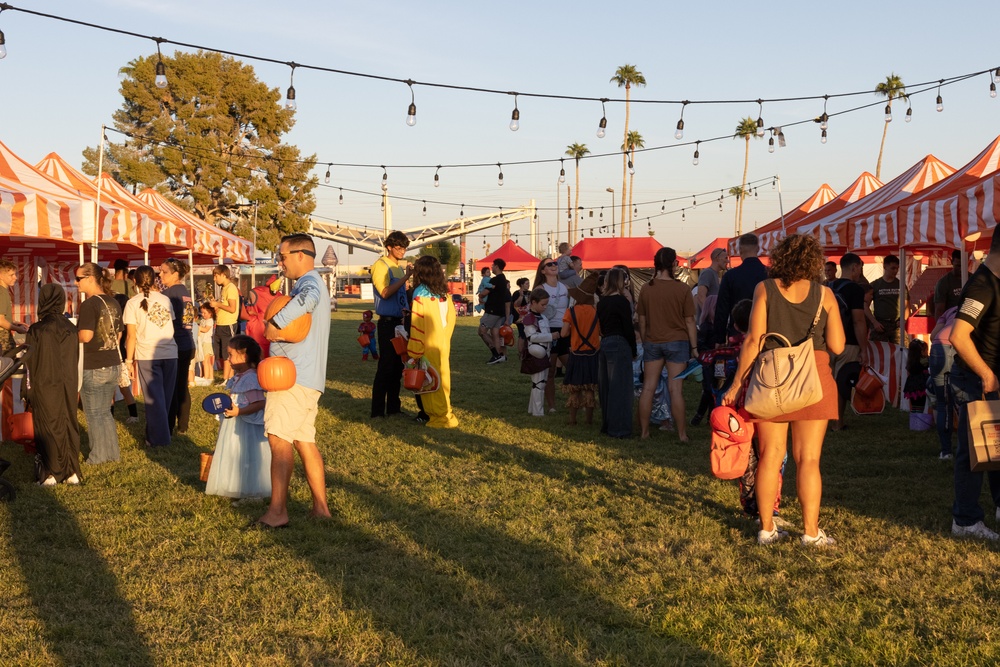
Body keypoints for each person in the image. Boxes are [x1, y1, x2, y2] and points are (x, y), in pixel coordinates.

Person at [722, 233, 845, 546]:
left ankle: (766, 529)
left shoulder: (764, 289)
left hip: (771, 377)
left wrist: (737, 383)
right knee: (809, 460)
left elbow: (753, 340)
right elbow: (838, 345)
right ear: (814, 262)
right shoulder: (825, 294)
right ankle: (811, 533)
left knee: (770, 456)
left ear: (779, 258)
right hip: (813, 378)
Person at [259, 233, 331, 528]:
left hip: (291, 378)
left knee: (279, 438)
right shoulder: (313, 283)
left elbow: (308, 301)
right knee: (305, 441)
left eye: (282, 256)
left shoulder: (310, 284)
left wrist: (275, 324)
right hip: (307, 378)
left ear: (301, 254)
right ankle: (321, 509)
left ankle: (277, 512)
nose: (280, 262)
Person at [947, 233, 1000, 540]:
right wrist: (986, 374)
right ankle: (965, 521)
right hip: (975, 380)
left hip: (987, 378)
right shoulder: (981, 286)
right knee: (972, 452)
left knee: (995, 447)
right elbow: (958, 335)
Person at [636, 247, 697, 442]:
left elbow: (642, 319)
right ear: (673, 264)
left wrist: (646, 339)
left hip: (653, 341)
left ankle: (644, 432)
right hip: (678, 342)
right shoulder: (682, 289)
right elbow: (689, 321)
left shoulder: (646, 288)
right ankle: (682, 434)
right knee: (675, 389)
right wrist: (694, 347)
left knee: (648, 387)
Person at [25, 283, 82, 485]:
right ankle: (71, 471)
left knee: (47, 425)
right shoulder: (71, 328)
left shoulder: (37, 329)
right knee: (68, 422)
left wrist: (27, 390)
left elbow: (30, 362)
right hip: (68, 382)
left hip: (44, 382)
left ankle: (49, 472)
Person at [205, 335, 271, 499]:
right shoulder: (239, 376)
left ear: (244, 356)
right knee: (235, 454)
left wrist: (239, 412)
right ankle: (238, 486)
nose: (228, 359)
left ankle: (253, 490)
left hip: (247, 426)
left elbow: (259, 402)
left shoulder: (250, 378)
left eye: (231, 355)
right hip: (236, 422)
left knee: (248, 455)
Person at [123, 265, 178, 448]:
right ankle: (155, 433)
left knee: (154, 399)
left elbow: (131, 336)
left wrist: (128, 361)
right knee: (165, 398)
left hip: (148, 353)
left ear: (135, 281)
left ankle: (159, 439)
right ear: (155, 280)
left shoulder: (132, 303)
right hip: (170, 352)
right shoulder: (165, 299)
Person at [75, 262, 124, 465]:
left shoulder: (89, 304)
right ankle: (112, 454)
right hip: (112, 362)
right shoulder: (113, 302)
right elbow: (119, 334)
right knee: (104, 412)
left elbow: (86, 336)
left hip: (94, 364)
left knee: (94, 414)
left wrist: (71, 334)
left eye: (79, 279)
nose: (76, 283)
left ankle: (97, 457)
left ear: (90, 279)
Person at [406, 256, 458, 428]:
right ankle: (447, 413)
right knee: (443, 379)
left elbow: (418, 325)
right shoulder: (444, 293)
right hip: (443, 342)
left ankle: (438, 417)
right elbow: (450, 318)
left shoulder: (420, 293)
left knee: (430, 383)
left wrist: (414, 352)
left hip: (427, 345)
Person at [370, 231, 412, 418]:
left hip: (399, 323)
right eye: (398, 247)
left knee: (397, 367)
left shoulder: (398, 267)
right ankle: (377, 411)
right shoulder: (381, 266)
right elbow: (385, 293)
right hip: (387, 324)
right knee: (386, 366)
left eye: (404, 247)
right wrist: (405, 278)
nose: (402, 251)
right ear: (389, 247)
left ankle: (394, 408)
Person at [829, 253, 869, 431]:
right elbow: (858, 321)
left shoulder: (828, 286)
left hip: (826, 341)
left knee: (827, 382)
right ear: (854, 267)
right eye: (860, 267)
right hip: (848, 341)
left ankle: (824, 420)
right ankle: (838, 422)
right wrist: (864, 348)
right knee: (841, 382)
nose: (860, 271)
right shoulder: (856, 290)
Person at [597, 268, 637, 438]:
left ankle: (607, 424)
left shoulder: (602, 302)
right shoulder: (621, 301)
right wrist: (633, 349)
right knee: (620, 387)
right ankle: (619, 428)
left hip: (605, 342)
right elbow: (628, 327)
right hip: (620, 342)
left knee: (606, 387)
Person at [160, 258, 196, 436]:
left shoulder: (171, 293)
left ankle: (171, 424)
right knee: (181, 386)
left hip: (177, 344)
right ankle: (182, 425)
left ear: (175, 274)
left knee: (174, 387)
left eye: (164, 271)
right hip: (187, 342)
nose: (160, 275)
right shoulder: (184, 291)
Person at [713, 233, 768, 348]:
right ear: (758, 249)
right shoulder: (770, 274)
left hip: (738, 335)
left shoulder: (730, 276)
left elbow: (722, 309)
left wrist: (720, 338)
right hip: (765, 334)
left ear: (740, 250)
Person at [561, 274, 600, 426]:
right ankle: (589, 421)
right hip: (593, 354)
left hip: (576, 353)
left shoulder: (571, 312)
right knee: (590, 388)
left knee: (574, 388)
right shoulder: (596, 311)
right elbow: (601, 331)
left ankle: (572, 420)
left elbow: (564, 333)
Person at [534, 257, 570, 411]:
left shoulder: (564, 287)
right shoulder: (540, 289)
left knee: (574, 367)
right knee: (551, 371)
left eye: (554, 263)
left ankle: (577, 400)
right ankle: (552, 406)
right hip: (549, 331)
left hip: (566, 330)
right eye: (549, 264)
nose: (554, 265)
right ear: (543, 271)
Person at [522, 287, 560, 417]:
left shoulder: (543, 317)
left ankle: (533, 409)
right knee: (538, 384)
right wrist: (551, 336)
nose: (545, 307)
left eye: (546, 304)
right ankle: (538, 412)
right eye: (542, 304)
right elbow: (531, 337)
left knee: (540, 383)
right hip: (536, 353)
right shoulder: (529, 318)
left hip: (545, 352)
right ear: (533, 302)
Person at [929, 305, 958, 459]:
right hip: (959, 346)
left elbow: (933, 336)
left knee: (943, 404)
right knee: (966, 402)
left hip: (939, 347)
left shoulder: (950, 310)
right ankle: (967, 448)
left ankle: (946, 451)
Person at [209, 266, 240, 383]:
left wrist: (218, 304)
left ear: (223, 275)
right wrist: (216, 307)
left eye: (216, 276)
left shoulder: (231, 288)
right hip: (221, 324)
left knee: (229, 353)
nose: (214, 279)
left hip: (229, 324)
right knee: (222, 353)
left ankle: (228, 378)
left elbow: (232, 308)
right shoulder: (224, 288)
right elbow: (224, 306)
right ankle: (226, 378)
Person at [240, 275, 282, 358]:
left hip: (256, 326)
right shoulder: (279, 296)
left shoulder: (257, 291)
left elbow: (249, 310)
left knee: (256, 353)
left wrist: (254, 314)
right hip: (270, 326)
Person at [479, 258, 511, 364]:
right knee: (495, 333)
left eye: (493, 266)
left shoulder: (495, 280)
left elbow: (484, 293)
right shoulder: (503, 279)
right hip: (500, 311)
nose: (491, 267)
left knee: (482, 331)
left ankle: (495, 354)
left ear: (497, 266)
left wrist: (480, 295)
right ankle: (500, 355)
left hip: (492, 311)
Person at [867, 254, 901, 344]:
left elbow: (906, 306)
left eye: (897, 268)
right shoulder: (875, 285)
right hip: (880, 323)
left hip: (896, 324)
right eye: (893, 268)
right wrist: (874, 322)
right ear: (885, 267)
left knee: (902, 351)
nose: (895, 271)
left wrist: (903, 319)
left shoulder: (901, 285)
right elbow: (865, 306)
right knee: (877, 351)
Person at [0, 259, 28, 353]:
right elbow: (1, 321)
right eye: (11, 275)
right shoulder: (2, 293)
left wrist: (15, 323)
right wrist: (18, 329)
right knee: (8, 364)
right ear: (1, 276)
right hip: (3, 338)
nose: (15, 277)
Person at [695, 248, 727, 324]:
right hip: (708, 326)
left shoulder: (714, 274)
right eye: (725, 258)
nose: (727, 261)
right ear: (717, 259)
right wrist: (710, 318)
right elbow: (700, 296)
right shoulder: (708, 273)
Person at [904, 339, 929, 423]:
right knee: (920, 405)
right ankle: (919, 422)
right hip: (920, 386)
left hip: (911, 386)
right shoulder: (924, 361)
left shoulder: (910, 361)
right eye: (926, 350)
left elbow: (908, 373)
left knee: (914, 405)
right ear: (921, 351)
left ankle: (914, 421)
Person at [935, 249, 965, 319]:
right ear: (952, 262)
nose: (960, 269)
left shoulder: (972, 279)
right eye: (958, 266)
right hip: (951, 320)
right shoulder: (943, 283)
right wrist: (940, 327)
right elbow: (939, 310)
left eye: (963, 266)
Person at [511, 277, 531, 358]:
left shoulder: (531, 293)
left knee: (529, 333)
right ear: (521, 285)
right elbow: (516, 304)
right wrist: (521, 296)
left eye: (528, 283)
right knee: (522, 334)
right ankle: (521, 352)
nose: (528, 285)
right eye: (526, 283)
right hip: (520, 317)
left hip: (529, 316)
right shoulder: (516, 293)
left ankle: (527, 352)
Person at [198, 303, 215, 382]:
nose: (203, 314)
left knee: (205, 361)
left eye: (204, 313)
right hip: (203, 342)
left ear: (210, 313)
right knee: (207, 362)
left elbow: (206, 329)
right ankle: (211, 377)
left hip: (206, 343)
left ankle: (206, 377)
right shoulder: (203, 320)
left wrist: (199, 328)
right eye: (202, 312)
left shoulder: (209, 320)